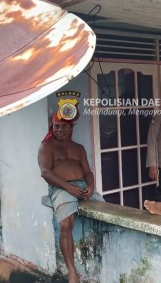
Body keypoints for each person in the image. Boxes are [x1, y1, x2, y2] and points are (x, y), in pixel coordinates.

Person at [38, 113, 101, 283]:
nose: (59, 130)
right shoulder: (47, 145)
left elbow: (87, 171)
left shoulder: (78, 148)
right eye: (56, 126)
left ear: (71, 127)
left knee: (105, 214)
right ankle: (72, 272)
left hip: (81, 187)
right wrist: (69, 188)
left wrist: (90, 187)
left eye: (63, 126)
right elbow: (45, 172)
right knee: (66, 223)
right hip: (61, 188)